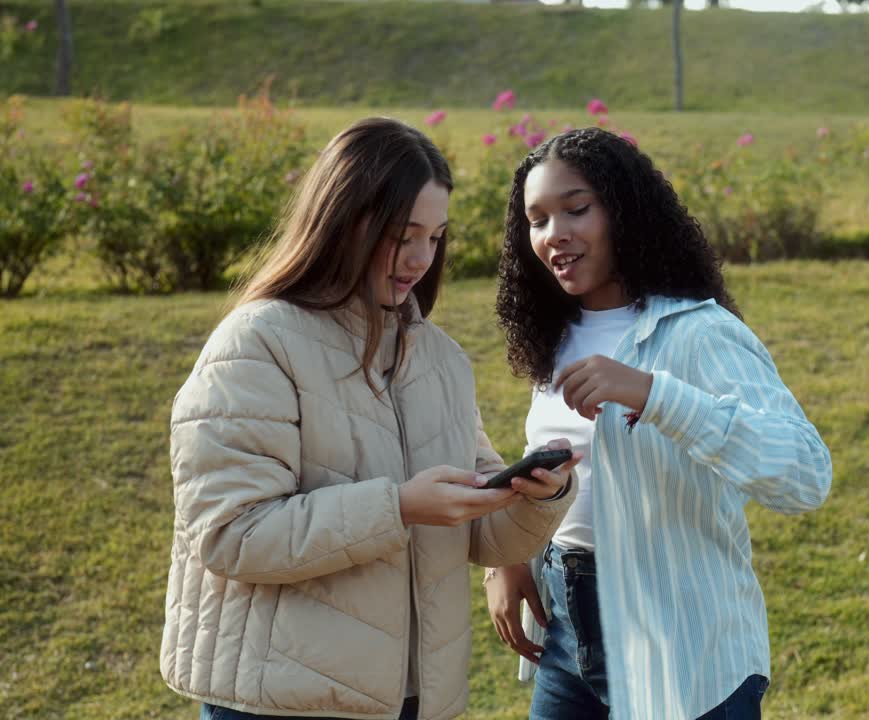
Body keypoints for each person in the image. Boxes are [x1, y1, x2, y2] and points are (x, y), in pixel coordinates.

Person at [160, 117, 579, 720]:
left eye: (434, 237)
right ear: (342, 221)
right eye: (401, 234)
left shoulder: (438, 358)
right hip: (280, 704)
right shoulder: (257, 344)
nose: (419, 258)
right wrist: (399, 507)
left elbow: (484, 535)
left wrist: (538, 495)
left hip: (409, 701)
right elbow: (231, 535)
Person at [484, 127, 832, 720]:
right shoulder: (555, 336)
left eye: (576, 209)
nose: (554, 235)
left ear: (624, 210)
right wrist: (509, 555)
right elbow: (557, 466)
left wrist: (653, 394)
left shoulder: (699, 332)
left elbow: (803, 473)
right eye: (536, 220)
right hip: (568, 636)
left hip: (684, 643)